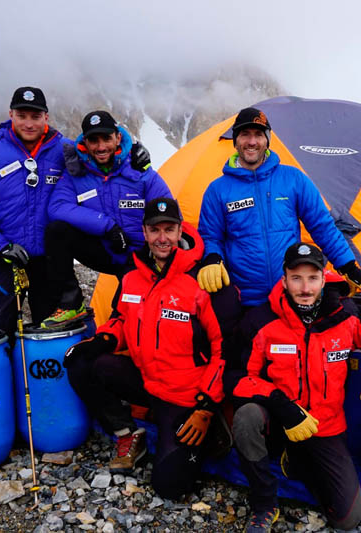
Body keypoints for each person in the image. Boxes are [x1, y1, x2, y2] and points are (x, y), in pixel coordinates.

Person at [62, 198, 240, 499]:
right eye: (154, 230)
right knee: (80, 363)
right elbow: (121, 317)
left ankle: (208, 428)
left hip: (185, 394)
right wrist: (101, 341)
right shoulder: (133, 273)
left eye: (169, 230)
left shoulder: (202, 278)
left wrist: (206, 406)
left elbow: (225, 350)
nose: (162, 238)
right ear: (144, 232)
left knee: (170, 486)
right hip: (147, 380)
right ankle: (128, 433)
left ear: (180, 230)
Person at [230, 242, 361, 532]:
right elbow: (236, 376)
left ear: (324, 279)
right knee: (246, 417)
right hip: (278, 419)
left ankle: (297, 460)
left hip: (325, 426)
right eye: (296, 278)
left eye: (312, 278)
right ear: (284, 278)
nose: (305, 287)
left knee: (346, 519)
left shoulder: (345, 316)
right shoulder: (261, 321)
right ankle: (264, 502)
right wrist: (282, 407)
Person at [197, 107, 361, 309]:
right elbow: (210, 236)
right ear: (235, 140)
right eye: (244, 135)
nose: (251, 142)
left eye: (258, 135)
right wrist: (212, 258)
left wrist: (350, 268)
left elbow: (322, 227)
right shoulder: (218, 190)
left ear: (267, 140)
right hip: (244, 301)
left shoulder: (293, 179)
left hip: (290, 296)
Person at [41, 110, 171, 328]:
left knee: (123, 316)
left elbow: (167, 212)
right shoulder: (76, 173)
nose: (100, 147)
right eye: (93, 140)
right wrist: (107, 226)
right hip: (105, 250)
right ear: (84, 142)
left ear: (118, 137)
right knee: (57, 231)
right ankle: (72, 304)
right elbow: (57, 207)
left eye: (106, 139)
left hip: (139, 257)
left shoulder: (140, 170)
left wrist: (155, 252)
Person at [0, 86, 67, 337]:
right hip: (7, 260)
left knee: (52, 335)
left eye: (35, 116)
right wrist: (0, 246)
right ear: (11, 115)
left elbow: (101, 155)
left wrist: (133, 155)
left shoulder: (64, 151)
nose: (29, 123)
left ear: (46, 117)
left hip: (50, 262)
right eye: (22, 115)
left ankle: (44, 377)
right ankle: (2, 375)